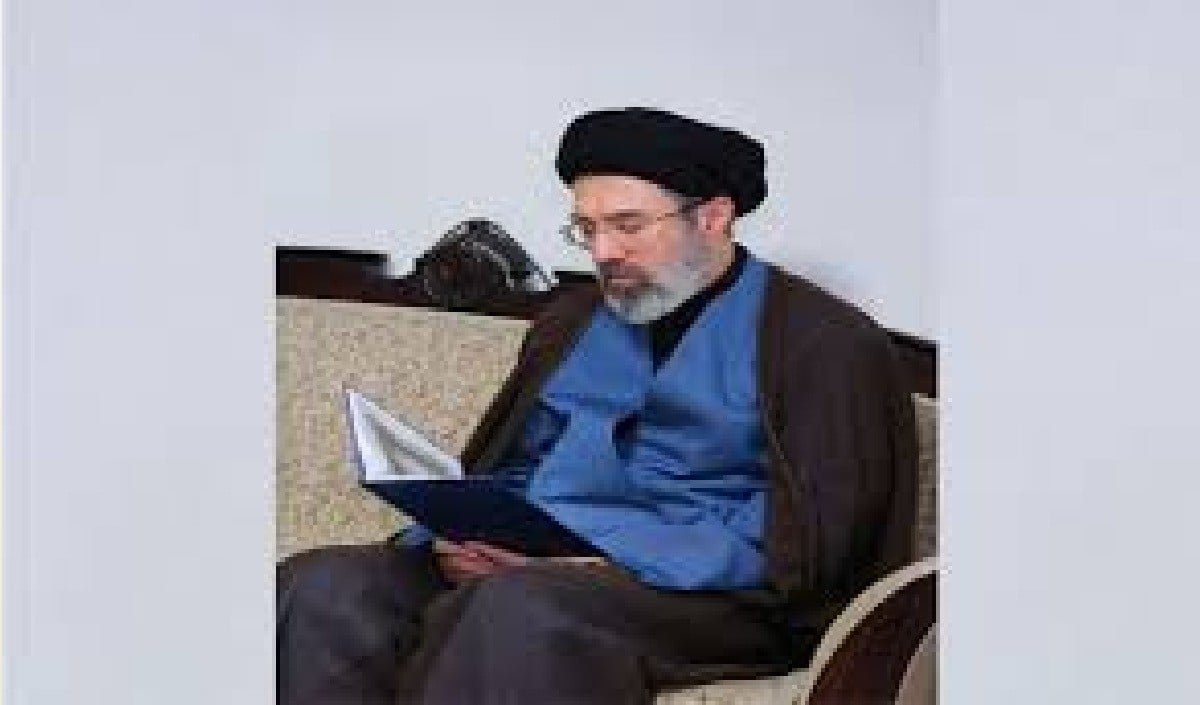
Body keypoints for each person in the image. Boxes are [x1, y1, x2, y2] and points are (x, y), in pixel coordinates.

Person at [277, 107, 916, 705]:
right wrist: (464, 533)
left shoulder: (823, 342)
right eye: (587, 229)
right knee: (325, 587)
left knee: (519, 611)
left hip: (709, 596)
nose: (604, 252)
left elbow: (816, 547)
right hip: (535, 563)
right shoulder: (574, 320)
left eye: (628, 226)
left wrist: (607, 561)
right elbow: (511, 462)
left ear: (713, 217)